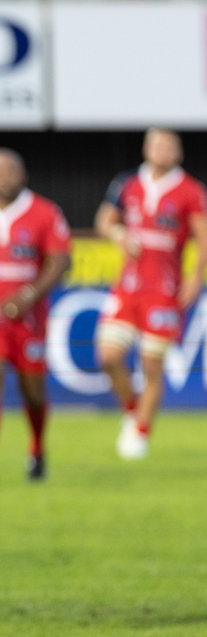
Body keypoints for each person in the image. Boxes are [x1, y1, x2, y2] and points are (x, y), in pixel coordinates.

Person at [94, 128, 207, 460]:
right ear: (145, 148)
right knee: (108, 356)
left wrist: (195, 277)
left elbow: (202, 238)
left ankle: (141, 432)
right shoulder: (127, 182)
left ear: (179, 153)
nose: (161, 150)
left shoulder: (190, 190)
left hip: (165, 291)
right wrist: (117, 233)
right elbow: (104, 220)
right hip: (127, 287)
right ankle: (133, 410)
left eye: (169, 145)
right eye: (156, 143)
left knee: (151, 364)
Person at [0, 149, 71, 485]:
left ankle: (38, 449)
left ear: (23, 176)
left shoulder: (44, 212)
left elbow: (60, 262)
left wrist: (28, 296)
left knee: (33, 391)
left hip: (29, 318)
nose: (5, 178)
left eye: (12, 171)